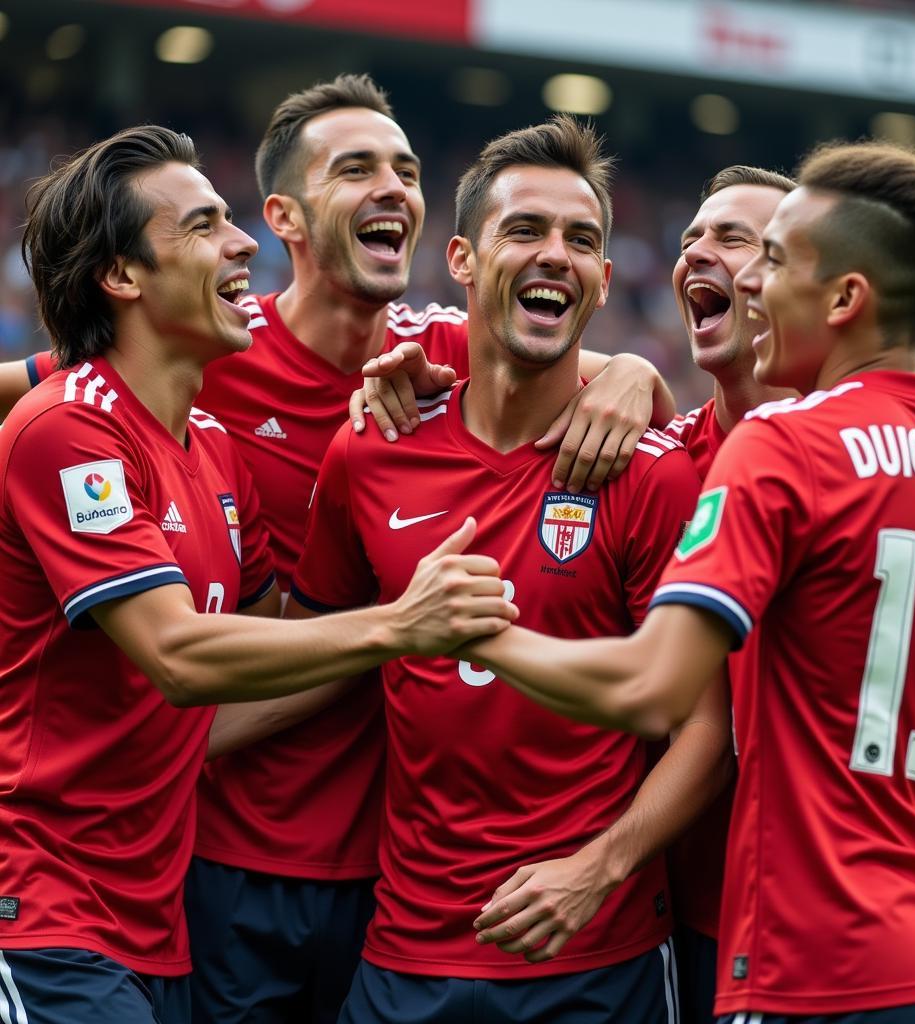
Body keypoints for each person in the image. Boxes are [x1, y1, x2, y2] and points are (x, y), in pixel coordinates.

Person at [1, 75, 677, 1024]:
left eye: (405, 168)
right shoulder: (197, 365)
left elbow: (562, 345)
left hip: (394, 890)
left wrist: (639, 373)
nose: (393, 186)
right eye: (355, 168)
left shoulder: (433, 347)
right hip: (216, 863)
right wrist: (404, 626)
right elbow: (63, 393)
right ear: (284, 214)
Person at [466, 128, 915, 1022]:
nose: (751, 281)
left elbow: (654, 685)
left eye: (770, 259)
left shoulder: (786, 447)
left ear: (844, 296)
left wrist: (470, 630)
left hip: (827, 957)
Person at [289, 114, 725, 1023]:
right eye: (524, 230)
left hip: (597, 958)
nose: (554, 255)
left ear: (605, 281)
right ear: (460, 259)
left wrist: (595, 869)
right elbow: (309, 657)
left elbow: (707, 726)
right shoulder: (369, 451)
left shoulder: (649, 474)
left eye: (581, 239)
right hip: (402, 952)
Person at [471, 164, 796, 1023]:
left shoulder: (850, 461)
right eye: (692, 235)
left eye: (734, 238)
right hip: (687, 911)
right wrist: (622, 364)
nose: (696, 250)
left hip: (819, 918)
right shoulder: (660, 456)